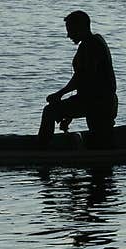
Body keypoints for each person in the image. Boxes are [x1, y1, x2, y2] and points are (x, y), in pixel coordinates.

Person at [38, 10, 118, 148]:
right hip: (97, 102)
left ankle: (41, 150)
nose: (68, 35)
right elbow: (86, 83)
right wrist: (69, 116)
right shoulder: (93, 42)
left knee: (49, 111)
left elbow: (83, 77)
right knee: (99, 140)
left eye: (70, 30)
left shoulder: (91, 45)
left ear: (80, 28)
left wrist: (59, 94)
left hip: (98, 104)